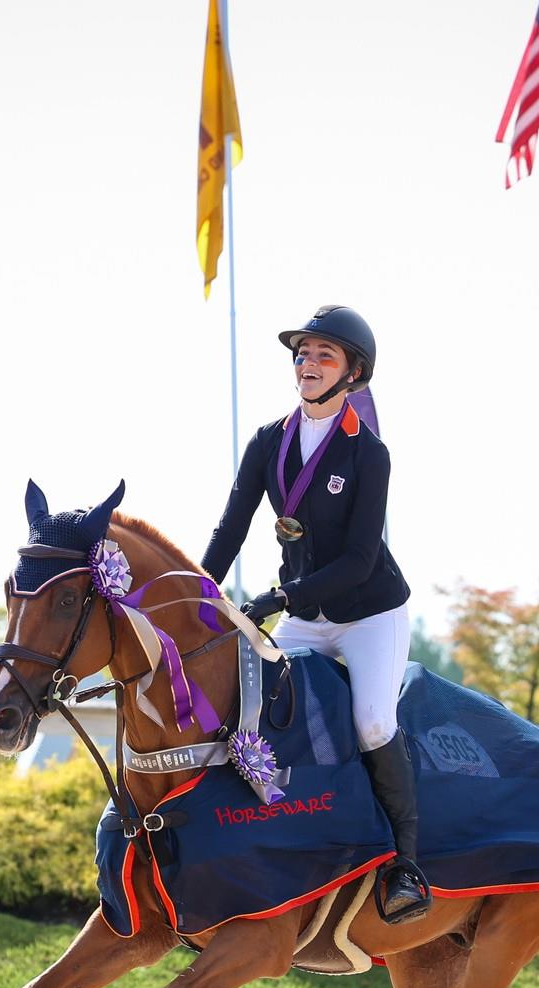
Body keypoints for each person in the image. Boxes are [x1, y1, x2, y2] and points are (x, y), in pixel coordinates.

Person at [199, 305, 432, 924]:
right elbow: (232, 526)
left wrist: (280, 600)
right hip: (303, 608)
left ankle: (405, 865)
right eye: (302, 354)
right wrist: (199, 591)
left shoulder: (368, 453)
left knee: (373, 723)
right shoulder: (267, 442)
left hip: (368, 613)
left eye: (323, 355)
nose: (308, 364)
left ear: (352, 373)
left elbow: (359, 559)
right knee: (256, 707)